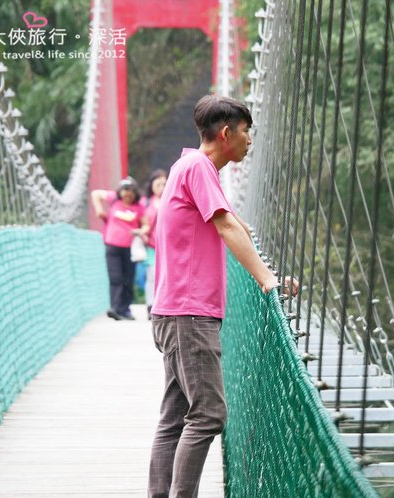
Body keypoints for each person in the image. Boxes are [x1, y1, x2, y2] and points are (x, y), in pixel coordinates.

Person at [147, 95, 298, 498]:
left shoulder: (190, 167)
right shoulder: (198, 167)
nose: (250, 140)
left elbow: (236, 223)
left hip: (175, 312)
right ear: (227, 133)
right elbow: (227, 227)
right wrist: (268, 282)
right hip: (188, 315)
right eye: (247, 131)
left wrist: (273, 274)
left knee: (176, 417)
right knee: (209, 414)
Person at [91, 177, 149, 321]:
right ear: (120, 192)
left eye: (131, 192)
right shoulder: (114, 200)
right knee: (115, 277)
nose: (127, 195)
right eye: (125, 191)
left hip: (130, 248)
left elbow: (146, 225)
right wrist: (99, 211)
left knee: (128, 279)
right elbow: (96, 194)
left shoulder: (139, 207)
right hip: (112, 245)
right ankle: (116, 308)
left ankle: (125, 309)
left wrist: (140, 231)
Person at [142, 169, 168, 319]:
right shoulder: (146, 204)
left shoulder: (172, 200)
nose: (162, 188)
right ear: (152, 185)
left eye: (165, 184)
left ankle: (162, 305)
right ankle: (151, 305)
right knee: (152, 275)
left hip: (168, 246)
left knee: (165, 275)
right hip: (152, 245)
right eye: (158, 184)